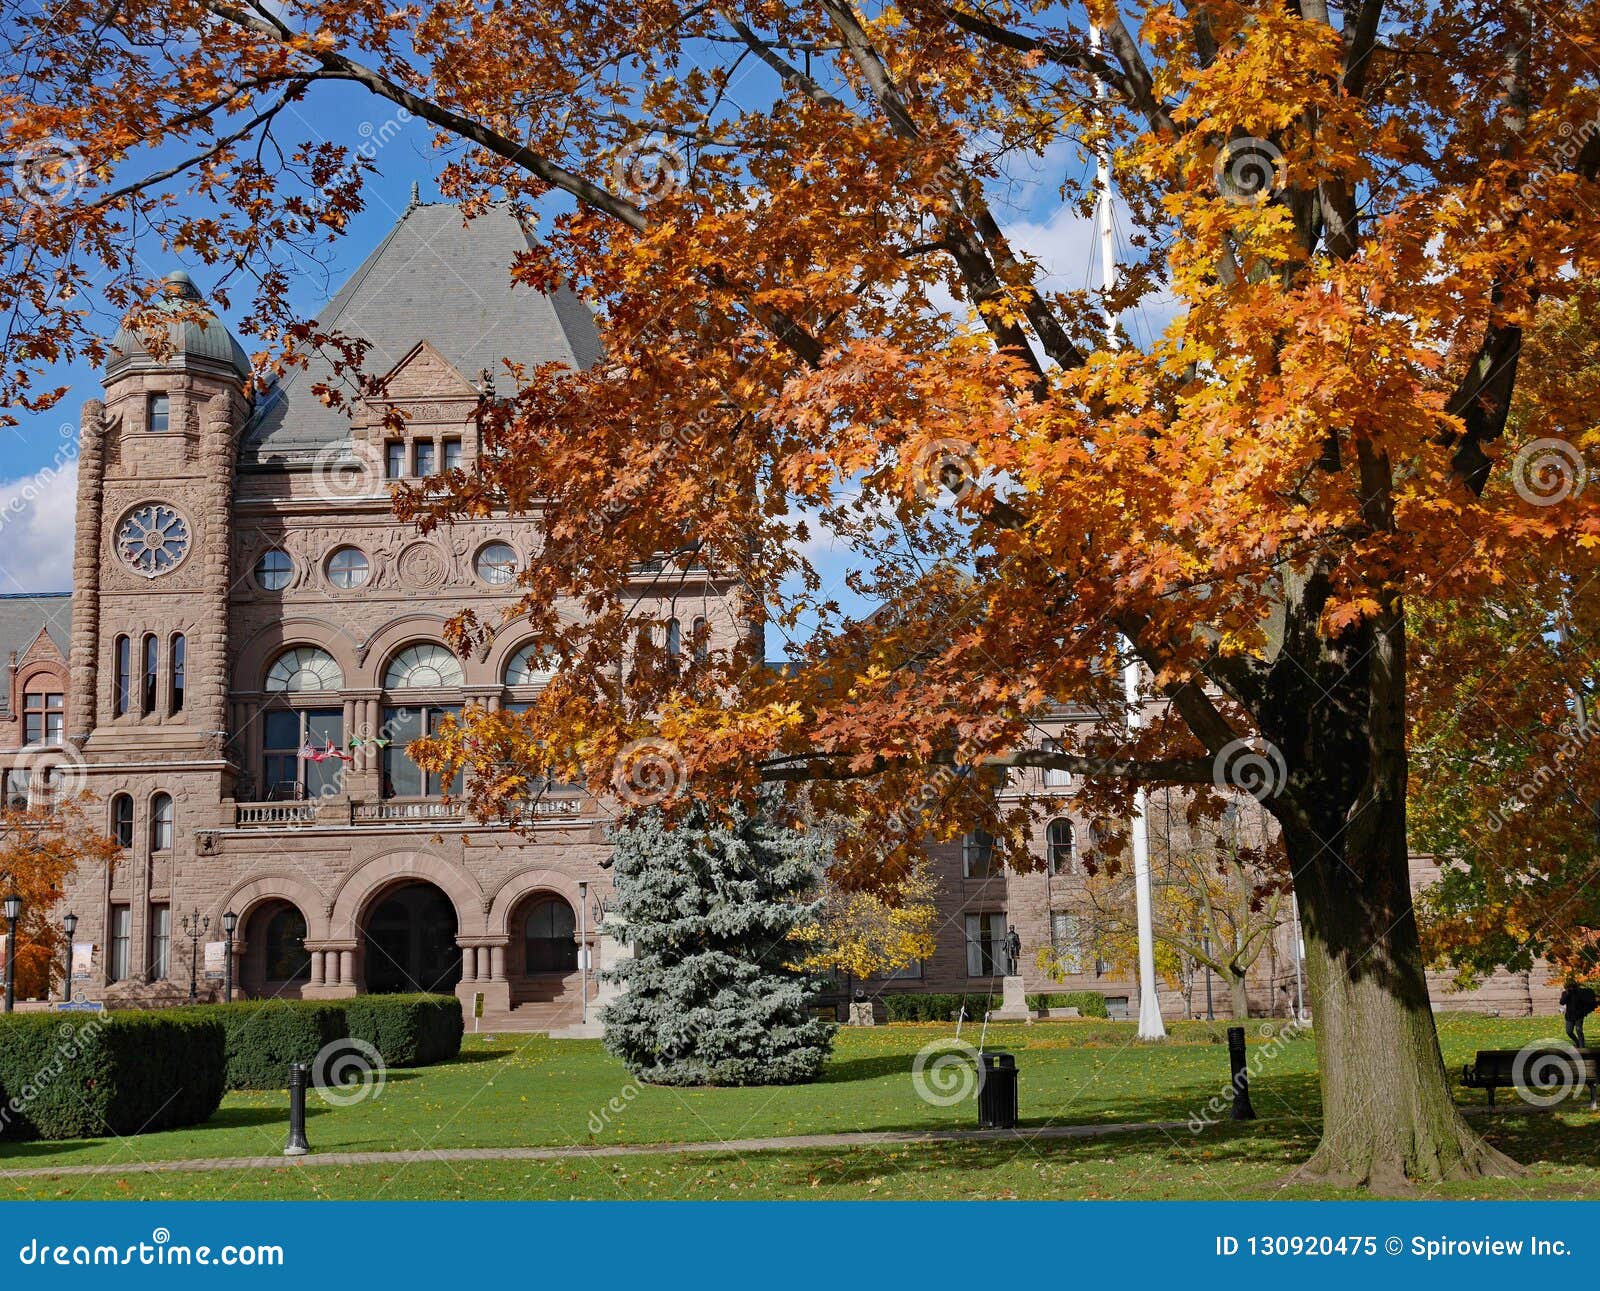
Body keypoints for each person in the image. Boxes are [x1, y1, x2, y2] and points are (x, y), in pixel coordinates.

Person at [1560, 979, 1596, 1048]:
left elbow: (1585, 1001)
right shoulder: (1565, 993)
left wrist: (1584, 1011)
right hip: (1569, 1016)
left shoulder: (1579, 993)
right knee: (1569, 1031)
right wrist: (1567, 994)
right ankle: (1577, 1042)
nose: (1571, 988)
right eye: (1569, 987)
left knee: (1579, 1030)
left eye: (1572, 987)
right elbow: (1562, 1002)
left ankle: (1582, 1047)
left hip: (1579, 1015)